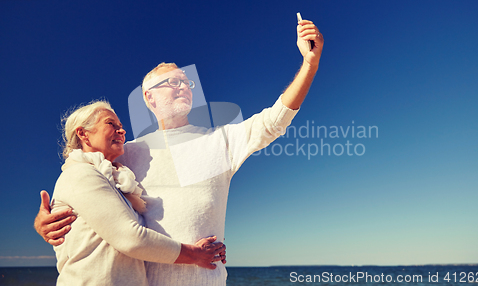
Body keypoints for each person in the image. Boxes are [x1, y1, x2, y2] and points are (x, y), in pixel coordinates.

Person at [35, 18, 324, 285]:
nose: (183, 86)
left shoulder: (221, 141)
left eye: (186, 82)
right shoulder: (127, 154)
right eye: (172, 82)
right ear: (149, 98)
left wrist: (310, 64)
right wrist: (45, 222)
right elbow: (82, 187)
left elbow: (274, 120)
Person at [50, 100, 226, 285]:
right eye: (111, 124)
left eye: (121, 126)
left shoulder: (115, 180)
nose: (122, 130)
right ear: (83, 134)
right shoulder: (80, 174)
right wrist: (195, 255)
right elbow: (131, 238)